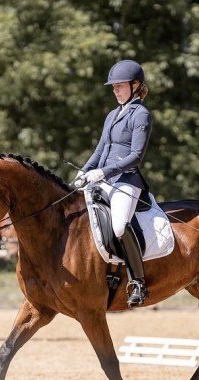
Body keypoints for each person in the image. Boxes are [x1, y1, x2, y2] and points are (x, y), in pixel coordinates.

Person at [74, 59, 152, 307]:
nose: (115, 90)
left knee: (119, 226)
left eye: (120, 86)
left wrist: (104, 172)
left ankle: (138, 281)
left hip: (126, 180)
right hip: (102, 177)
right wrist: (85, 171)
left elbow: (136, 156)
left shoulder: (141, 114)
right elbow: (100, 150)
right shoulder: (112, 115)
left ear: (136, 85)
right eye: (114, 87)